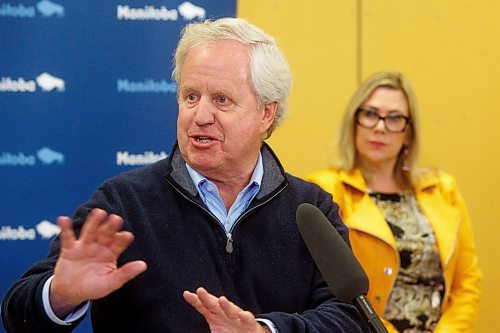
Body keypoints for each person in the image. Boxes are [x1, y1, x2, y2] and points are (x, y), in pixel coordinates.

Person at [1, 18, 370, 333]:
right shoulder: (125, 203)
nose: (200, 115)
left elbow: (350, 317)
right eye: (190, 96)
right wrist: (61, 295)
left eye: (222, 100)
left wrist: (265, 329)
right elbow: (17, 314)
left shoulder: (309, 208)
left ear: (266, 114)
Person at [307, 71, 482, 332]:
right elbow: (331, 289)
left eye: (394, 118)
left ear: (408, 133)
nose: (380, 126)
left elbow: (467, 282)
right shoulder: (326, 191)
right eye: (369, 114)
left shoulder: (442, 189)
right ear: (353, 122)